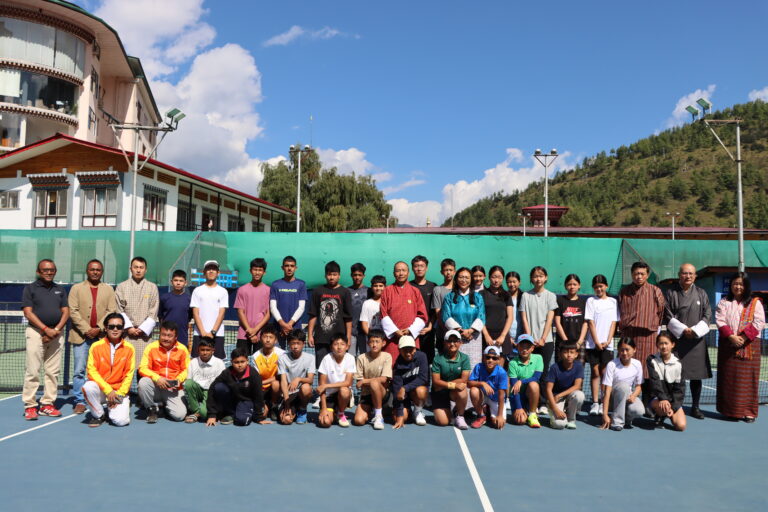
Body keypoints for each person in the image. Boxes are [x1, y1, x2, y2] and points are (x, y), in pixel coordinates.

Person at [21, 259, 69, 420]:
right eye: (45, 270)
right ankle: (30, 405)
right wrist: (45, 329)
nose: (49, 272)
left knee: (52, 372)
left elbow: (66, 312)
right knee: (32, 371)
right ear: (38, 272)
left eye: (52, 270)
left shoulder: (60, 289)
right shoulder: (30, 289)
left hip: (56, 334)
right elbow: (28, 312)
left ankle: (47, 404)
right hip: (35, 333)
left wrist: (55, 330)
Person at [714, 272, 765, 422]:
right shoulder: (724, 302)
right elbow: (720, 320)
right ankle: (730, 412)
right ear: (731, 285)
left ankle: (749, 412)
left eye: (741, 284)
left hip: (750, 345)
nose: (738, 287)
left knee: (749, 380)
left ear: (746, 286)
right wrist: (731, 337)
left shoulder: (755, 303)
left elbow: (759, 322)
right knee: (729, 380)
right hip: (728, 344)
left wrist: (743, 338)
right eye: (735, 283)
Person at [68, 259, 116, 415]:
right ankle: (80, 401)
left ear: (102, 272)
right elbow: (73, 311)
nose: (95, 272)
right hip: (80, 337)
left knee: (102, 370)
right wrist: (87, 329)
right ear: (87, 271)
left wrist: (99, 328)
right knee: (79, 371)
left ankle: (101, 398)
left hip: (101, 337)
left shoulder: (109, 289)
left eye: (98, 270)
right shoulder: (76, 289)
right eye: (92, 269)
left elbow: (111, 310)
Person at [663, 263, 711, 419]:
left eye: (691, 273)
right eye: (685, 273)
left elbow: (707, 315)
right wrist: (684, 330)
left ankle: (695, 407)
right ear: (679, 275)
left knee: (696, 376)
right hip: (677, 340)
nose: (688, 276)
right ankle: (675, 406)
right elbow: (667, 315)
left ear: (695, 276)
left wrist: (694, 331)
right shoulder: (671, 293)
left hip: (696, 341)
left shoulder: (702, 293)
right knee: (675, 375)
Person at [618, 261, 665, 396]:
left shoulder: (655, 291)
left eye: (642, 274)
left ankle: (648, 401)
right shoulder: (624, 291)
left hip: (648, 338)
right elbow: (620, 310)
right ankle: (624, 398)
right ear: (631, 274)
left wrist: (652, 326)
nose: (639, 276)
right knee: (624, 368)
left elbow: (661, 311)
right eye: (636, 274)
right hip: (629, 336)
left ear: (647, 275)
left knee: (648, 371)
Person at [81, 312, 135, 427]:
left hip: (119, 391)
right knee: (88, 387)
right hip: (102, 390)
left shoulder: (129, 348)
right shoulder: (96, 346)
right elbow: (92, 371)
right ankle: (99, 415)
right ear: (105, 328)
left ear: (123, 329)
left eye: (119, 327)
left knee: (121, 422)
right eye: (111, 326)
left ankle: (116, 406)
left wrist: (119, 394)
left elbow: (129, 375)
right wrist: (108, 390)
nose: (115, 329)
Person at [138, 321, 190, 423]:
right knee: (143, 382)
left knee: (179, 416)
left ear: (175, 337)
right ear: (159, 334)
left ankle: (164, 406)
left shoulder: (183, 349)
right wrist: (157, 378)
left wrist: (178, 380)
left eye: (169, 336)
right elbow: (143, 368)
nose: (166, 338)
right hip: (156, 385)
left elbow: (186, 370)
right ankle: (151, 409)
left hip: (173, 389)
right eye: (163, 335)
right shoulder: (151, 347)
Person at [519, 266, 558, 403]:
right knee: (528, 371)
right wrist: (529, 339)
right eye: (535, 276)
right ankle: (528, 400)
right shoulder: (525, 296)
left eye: (541, 276)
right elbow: (524, 318)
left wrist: (543, 338)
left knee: (543, 372)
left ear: (546, 278)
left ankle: (542, 402)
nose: (538, 279)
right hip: (530, 342)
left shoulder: (551, 296)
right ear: (531, 279)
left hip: (546, 342)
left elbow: (550, 319)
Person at [115, 256, 159, 370]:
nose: (138, 270)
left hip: (144, 336)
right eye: (136, 267)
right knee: (125, 368)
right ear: (131, 269)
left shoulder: (152, 287)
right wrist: (129, 328)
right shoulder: (121, 287)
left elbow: (154, 311)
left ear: (146, 270)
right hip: (126, 335)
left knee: (144, 369)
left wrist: (142, 329)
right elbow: (119, 310)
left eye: (141, 267)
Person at [380, 261, 428, 364]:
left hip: (411, 337)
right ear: (394, 273)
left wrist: (410, 330)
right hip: (393, 338)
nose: (401, 273)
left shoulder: (415, 291)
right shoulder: (387, 291)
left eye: (403, 270)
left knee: (412, 365)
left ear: (408, 273)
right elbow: (383, 314)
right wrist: (395, 331)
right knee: (392, 364)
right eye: (398, 271)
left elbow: (422, 315)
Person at [307, 260, 353, 368]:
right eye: (329, 274)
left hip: (339, 340)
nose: (331, 277)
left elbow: (348, 318)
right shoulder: (318, 291)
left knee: (339, 368)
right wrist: (310, 335)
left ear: (339, 276)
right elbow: (313, 314)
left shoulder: (345, 292)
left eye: (334, 274)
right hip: (321, 339)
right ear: (325, 275)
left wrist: (348, 337)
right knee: (322, 368)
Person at [206, 347, 266, 426]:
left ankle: (239, 413)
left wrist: (259, 417)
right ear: (231, 362)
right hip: (232, 400)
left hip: (246, 401)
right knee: (219, 387)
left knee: (242, 421)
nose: (239, 365)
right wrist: (212, 415)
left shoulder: (254, 374)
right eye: (236, 362)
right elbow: (212, 388)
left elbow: (258, 395)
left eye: (242, 362)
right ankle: (231, 413)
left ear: (247, 361)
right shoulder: (227, 372)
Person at [584, 274, 618, 416]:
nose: (599, 289)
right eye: (596, 287)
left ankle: (605, 402)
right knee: (595, 372)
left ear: (606, 286)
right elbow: (590, 322)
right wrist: (597, 342)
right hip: (593, 344)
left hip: (607, 345)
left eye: (601, 286)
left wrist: (608, 340)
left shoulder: (613, 302)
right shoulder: (591, 301)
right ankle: (595, 403)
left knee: (605, 373)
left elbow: (614, 322)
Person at [442, 267, 486, 369]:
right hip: (455, 338)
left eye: (467, 277)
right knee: (456, 366)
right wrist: (461, 331)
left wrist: (470, 331)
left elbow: (481, 316)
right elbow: (446, 316)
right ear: (456, 279)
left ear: (471, 280)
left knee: (474, 365)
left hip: (474, 337)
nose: (464, 280)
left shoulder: (477, 297)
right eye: (461, 277)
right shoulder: (449, 297)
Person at [600, 338, 645, 431]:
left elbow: (639, 386)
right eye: (622, 350)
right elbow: (607, 390)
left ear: (634, 349)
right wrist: (605, 414)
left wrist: (633, 396)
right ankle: (617, 422)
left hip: (627, 396)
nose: (624, 353)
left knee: (639, 411)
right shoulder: (612, 364)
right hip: (612, 399)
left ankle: (626, 420)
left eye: (627, 350)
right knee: (623, 386)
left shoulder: (637, 364)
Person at [431, 330, 471, 429]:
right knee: (443, 422)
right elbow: (436, 382)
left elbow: (464, 379)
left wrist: (445, 385)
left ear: (460, 343)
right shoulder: (437, 359)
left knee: (462, 389)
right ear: (445, 343)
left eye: (455, 341)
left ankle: (460, 415)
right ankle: (449, 411)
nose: (452, 344)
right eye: (449, 341)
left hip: (450, 390)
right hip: (439, 392)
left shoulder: (465, 358)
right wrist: (453, 385)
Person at [353, 329, 393, 430]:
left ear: (383, 343)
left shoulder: (387, 356)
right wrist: (362, 382)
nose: (374, 345)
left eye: (377, 341)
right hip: (366, 395)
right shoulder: (361, 358)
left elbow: (384, 379)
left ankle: (378, 415)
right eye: (371, 342)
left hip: (382, 394)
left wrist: (364, 381)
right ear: (368, 343)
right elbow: (359, 383)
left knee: (375, 383)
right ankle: (371, 410)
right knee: (358, 421)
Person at [647, 333, 686, 431]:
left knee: (681, 426)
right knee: (664, 406)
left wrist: (673, 407)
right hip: (657, 398)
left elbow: (680, 389)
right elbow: (655, 383)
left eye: (666, 343)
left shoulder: (678, 364)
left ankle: (667, 412)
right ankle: (659, 414)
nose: (664, 346)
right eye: (661, 343)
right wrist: (663, 399)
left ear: (672, 344)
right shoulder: (652, 360)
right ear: (657, 345)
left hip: (672, 400)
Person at [190, 259, 228, 359]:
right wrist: (202, 332)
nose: (211, 271)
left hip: (217, 334)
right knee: (197, 362)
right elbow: (195, 313)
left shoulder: (223, 291)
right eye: (208, 269)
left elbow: (221, 314)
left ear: (218, 273)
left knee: (217, 363)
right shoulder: (197, 291)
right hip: (199, 334)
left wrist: (213, 332)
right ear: (204, 272)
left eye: (214, 269)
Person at [277, 329, 315, 425]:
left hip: (301, 393)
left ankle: (302, 410)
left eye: (298, 343)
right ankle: (289, 409)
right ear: (289, 344)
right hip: (288, 394)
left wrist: (298, 379)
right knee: (286, 420)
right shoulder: (282, 358)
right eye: (292, 343)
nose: (295, 346)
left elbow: (310, 380)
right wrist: (287, 402)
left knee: (306, 388)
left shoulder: (310, 358)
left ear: (303, 344)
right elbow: (283, 381)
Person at [317, 333, 356, 428]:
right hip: (329, 397)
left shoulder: (350, 358)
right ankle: (333, 413)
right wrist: (324, 408)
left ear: (347, 347)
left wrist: (327, 385)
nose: (339, 347)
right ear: (331, 347)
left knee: (344, 390)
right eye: (335, 344)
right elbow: (321, 387)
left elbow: (348, 382)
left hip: (343, 394)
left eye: (342, 344)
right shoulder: (326, 359)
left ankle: (340, 413)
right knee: (325, 422)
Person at [183, 337, 226, 423]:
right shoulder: (193, 362)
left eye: (208, 350)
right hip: (197, 389)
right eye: (202, 350)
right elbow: (189, 381)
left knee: (204, 414)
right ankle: (195, 411)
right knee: (188, 383)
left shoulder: (219, 363)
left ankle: (200, 412)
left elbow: (220, 384)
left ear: (213, 350)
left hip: (210, 391)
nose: (205, 352)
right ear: (198, 350)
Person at [544, 341, 585, 430]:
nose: (569, 355)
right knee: (559, 425)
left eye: (572, 352)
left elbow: (577, 386)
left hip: (566, 396)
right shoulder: (554, 368)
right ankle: (553, 411)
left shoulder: (578, 366)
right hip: (555, 398)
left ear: (576, 354)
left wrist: (560, 395)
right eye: (565, 352)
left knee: (579, 395)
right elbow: (548, 389)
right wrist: (555, 409)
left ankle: (571, 419)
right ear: (560, 354)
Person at [234, 258, 271, 356]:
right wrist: (250, 331)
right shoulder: (242, 290)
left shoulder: (269, 291)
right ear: (250, 271)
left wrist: (255, 330)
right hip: (243, 334)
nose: (257, 272)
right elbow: (240, 312)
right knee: (241, 361)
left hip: (261, 334)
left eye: (260, 270)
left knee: (260, 363)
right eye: (255, 269)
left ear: (264, 272)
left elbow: (268, 314)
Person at [391, 335, 429, 428]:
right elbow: (397, 391)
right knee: (399, 418)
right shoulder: (397, 366)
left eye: (410, 350)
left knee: (421, 391)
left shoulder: (422, 357)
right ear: (399, 350)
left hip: (416, 390)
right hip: (404, 396)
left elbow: (423, 378)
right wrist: (400, 416)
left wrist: (405, 388)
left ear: (415, 349)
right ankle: (407, 410)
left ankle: (417, 411)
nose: (408, 353)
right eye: (405, 350)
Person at [269, 256, 307, 348]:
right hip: (278, 328)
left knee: (295, 355)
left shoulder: (301, 284)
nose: (289, 268)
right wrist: (282, 324)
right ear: (282, 267)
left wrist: (289, 325)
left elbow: (301, 307)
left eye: (292, 266)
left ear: (295, 268)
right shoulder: (275, 284)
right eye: (286, 266)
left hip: (295, 328)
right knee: (277, 355)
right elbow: (273, 307)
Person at [508, 334, 544, 428]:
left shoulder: (538, 358)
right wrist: (519, 407)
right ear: (517, 347)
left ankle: (532, 414)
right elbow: (515, 388)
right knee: (520, 421)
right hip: (517, 396)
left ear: (532, 348)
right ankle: (523, 410)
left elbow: (536, 378)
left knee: (534, 385)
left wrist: (521, 381)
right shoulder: (512, 363)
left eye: (527, 347)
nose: (525, 350)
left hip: (530, 394)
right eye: (522, 346)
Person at [468, 346, 508, 429]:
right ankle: (481, 415)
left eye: (494, 358)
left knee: (497, 424)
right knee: (473, 390)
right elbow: (469, 383)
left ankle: (488, 409)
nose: (490, 360)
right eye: (488, 357)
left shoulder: (502, 373)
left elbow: (501, 395)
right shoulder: (478, 367)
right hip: (483, 396)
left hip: (496, 399)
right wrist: (482, 383)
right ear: (483, 357)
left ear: (498, 360)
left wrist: (500, 415)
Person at [252, 324, 285, 420]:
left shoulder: (282, 354)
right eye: (265, 337)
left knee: (275, 384)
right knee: (261, 415)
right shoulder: (255, 356)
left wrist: (263, 382)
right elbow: (256, 377)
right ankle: (265, 404)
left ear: (276, 340)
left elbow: (280, 376)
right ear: (260, 339)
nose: (267, 340)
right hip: (261, 388)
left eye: (270, 337)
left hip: (276, 388)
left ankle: (274, 406)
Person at [480, 265, 514, 354]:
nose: (496, 280)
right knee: (487, 361)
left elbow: (510, 317)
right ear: (489, 277)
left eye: (499, 277)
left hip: (502, 335)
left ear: (503, 279)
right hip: (486, 335)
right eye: (494, 277)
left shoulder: (506, 295)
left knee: (501, 361)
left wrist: (503, 336)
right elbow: (479, 316)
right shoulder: (481, 294)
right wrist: (486, 335)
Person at [410, 255, 437, 365]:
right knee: (412, 359)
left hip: (428, 331)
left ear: (426, 268)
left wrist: (430, 326)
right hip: (411, 331)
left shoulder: (433, 286)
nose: (419, 268)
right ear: (412, 268)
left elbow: (435, 310)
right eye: (416, 266)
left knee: (428, 361)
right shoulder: (408, 286)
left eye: (422, 266)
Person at [554, 274, 588, 358]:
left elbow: (585, 323)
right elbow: (557, 322)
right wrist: (565, 341)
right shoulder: (560, 300)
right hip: (562, 342)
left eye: (575, 284)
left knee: (579, 366)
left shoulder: (583, 302)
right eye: (569, 284)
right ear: (565, 286)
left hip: (578, 343)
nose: (572, 287)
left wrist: (580, 341)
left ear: (579, 285)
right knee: (561, 366)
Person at [159, 269, 192, 350]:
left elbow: (190, 316)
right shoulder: (164, 298)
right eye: (176, 280)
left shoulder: (189, 299)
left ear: (185, 283)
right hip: (167, 336)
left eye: (181, 281)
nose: (178, 283)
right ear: (171, 282)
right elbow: (160, 316)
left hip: (182, 335)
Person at [431, 258, 456, 353]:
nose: (448, 272)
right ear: (441, 272)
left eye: (450, 270)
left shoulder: (460, 289)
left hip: (459, 332)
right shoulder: (437, 289)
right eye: (446, 270)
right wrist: (447, 330)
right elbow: (438, 313)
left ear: (454, 271)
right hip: (442, 332)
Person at [347, 262, 368, 357]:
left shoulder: (369, 291)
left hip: (365, 332)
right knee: (350, 359)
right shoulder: (346, 291)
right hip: (351, 332)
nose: (357, 277)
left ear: (363, 276)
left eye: (359, 275)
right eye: (355, 275)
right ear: (351, 275)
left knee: (366, 358)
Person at [359, 275, 386, 339]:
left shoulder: (389, 302)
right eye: (375, 286)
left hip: (386, 339)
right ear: (371, 287)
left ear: (385, 287)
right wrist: (372, 338)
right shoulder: (367, 303)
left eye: (381, 286)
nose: (378, 288)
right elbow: (364, 324)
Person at [503, 271, 523, 357]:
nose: (512, 284)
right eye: (509, 282)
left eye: (514, 281)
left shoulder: (524, 297)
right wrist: (508, 337)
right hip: (507, 336)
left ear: (519, 282)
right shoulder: (503, 297)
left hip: (521, 337)